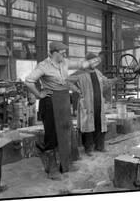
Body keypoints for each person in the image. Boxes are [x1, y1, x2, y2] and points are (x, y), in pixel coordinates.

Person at [25, 42, 101, 180]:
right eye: (62, 52)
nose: (65, 55)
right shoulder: (44, 66)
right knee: (52, 135)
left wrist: (93, 61)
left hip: (64, 99)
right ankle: (52, 169)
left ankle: (65, 165)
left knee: (66, 133)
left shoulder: (64, 62)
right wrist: (38, 94)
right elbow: (28, 81)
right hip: (50, 102)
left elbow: (80, 65)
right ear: (54, 52)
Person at [68, 52, 119, 156]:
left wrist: (115, 80)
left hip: (98, 104)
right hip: (87, 104)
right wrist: (77, 90)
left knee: (99, 125)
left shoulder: (97, 72)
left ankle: (100, 146)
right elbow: (67, 81)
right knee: (88, 127)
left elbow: (106, 82)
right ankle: (88, 148)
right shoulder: (80, 73)